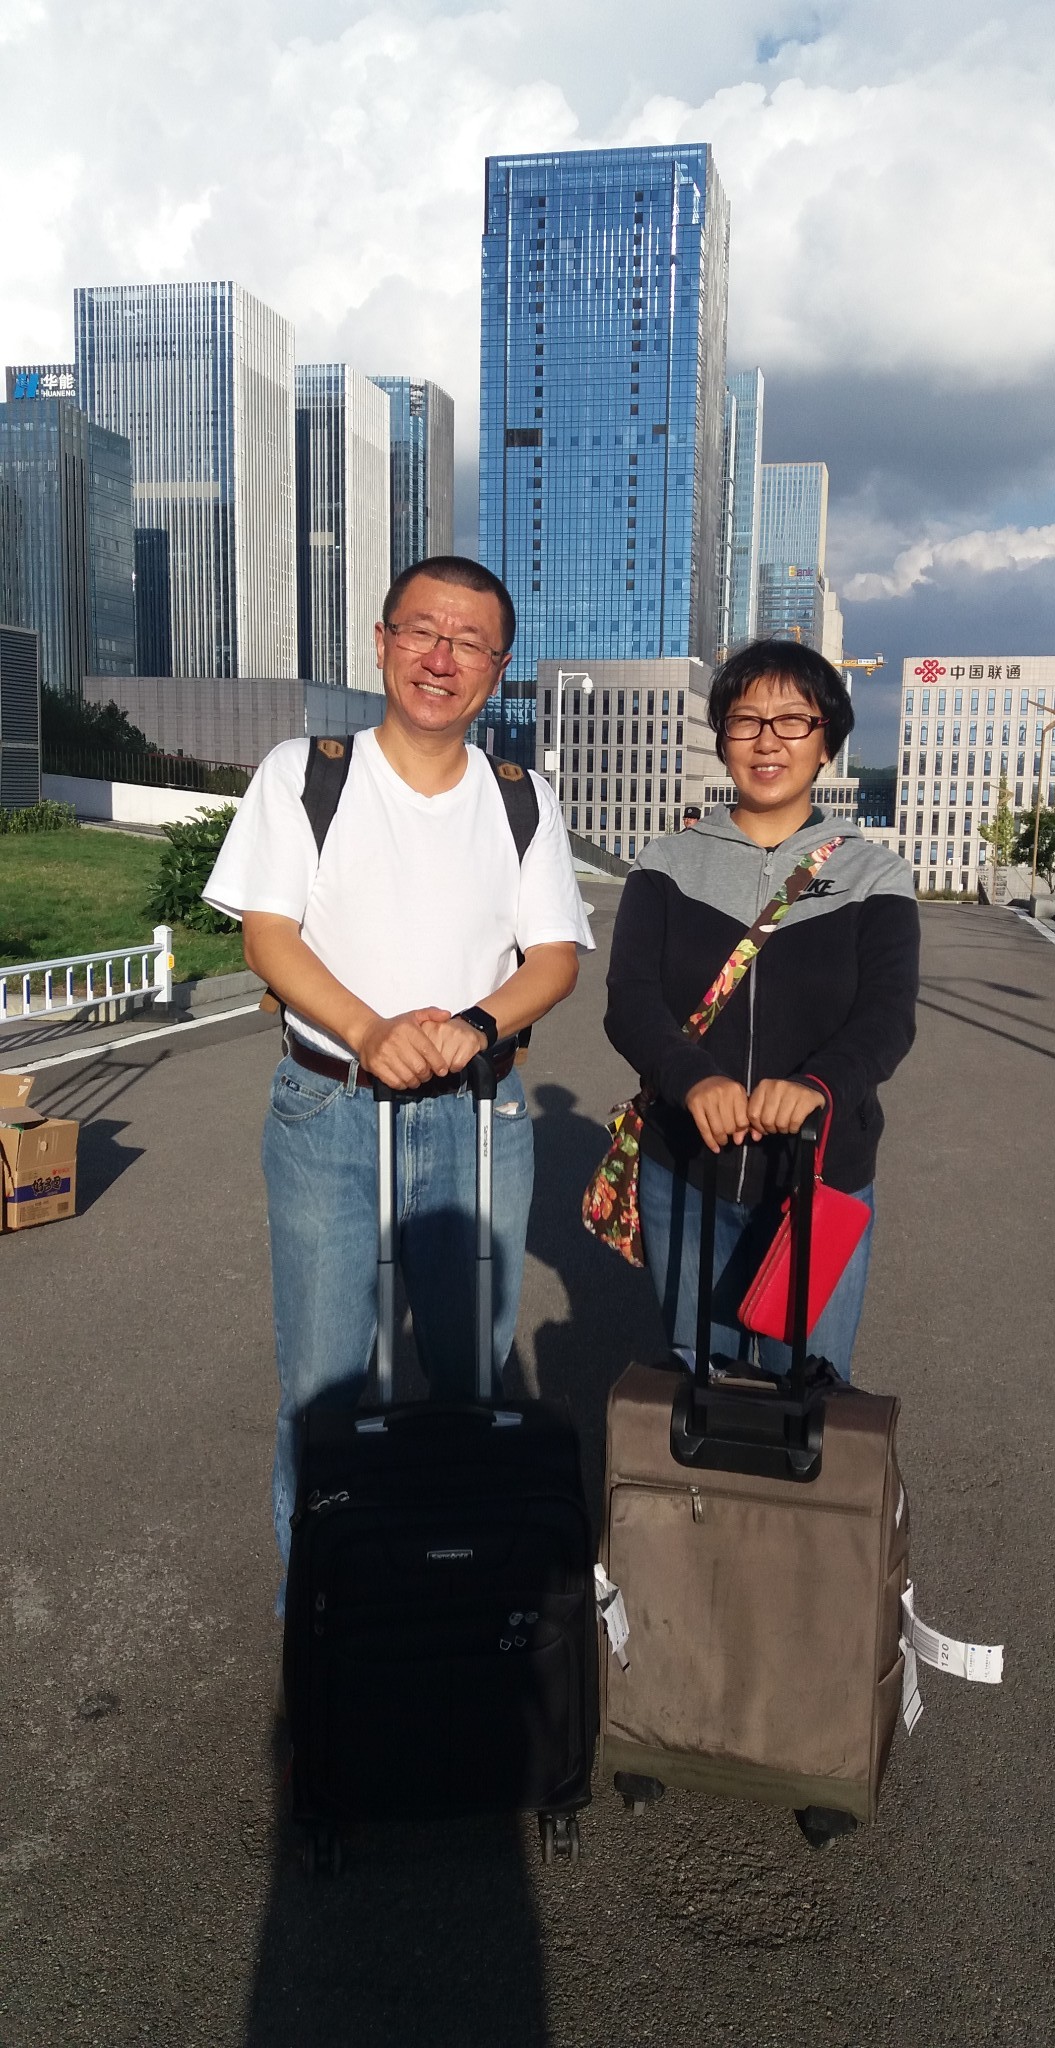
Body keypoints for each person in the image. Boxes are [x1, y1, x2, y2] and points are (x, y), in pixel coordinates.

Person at [204, 556, 593, 1591]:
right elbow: (269, 936)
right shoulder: (306, 773)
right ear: (382, 642)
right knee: (324, 1385)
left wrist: (474, 1024)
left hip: (476, 1114)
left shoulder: (521, 797)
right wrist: (370, 1031)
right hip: (330, 1106)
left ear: (497, 670)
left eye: (470, 643)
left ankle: (458, 1606)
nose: (441, 658)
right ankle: (326, 1619)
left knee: (472, 1378)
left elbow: (554, 957)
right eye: (423, 631)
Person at [603, 639, 919, 1378]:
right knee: (697, 1383)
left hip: (819, 1177)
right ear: (722, 740)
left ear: (826, 743)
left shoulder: (873, 875)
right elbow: (630, 1001)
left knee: (805, 1389)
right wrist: (692, 1079)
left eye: (793, 721)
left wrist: (817, 1088)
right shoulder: (666, 864)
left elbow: (887, 1017)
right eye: (746, 720)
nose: (768, 740)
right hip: (686, 1169)